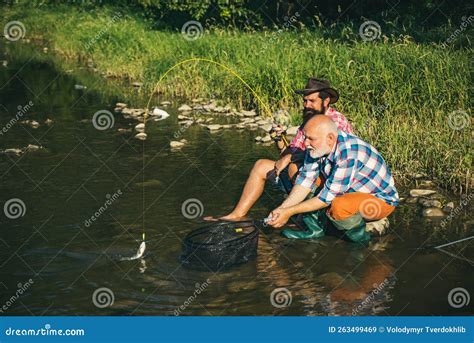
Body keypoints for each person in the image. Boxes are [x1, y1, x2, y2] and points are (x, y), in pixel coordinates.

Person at [204, 78, 353, 222]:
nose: (307, 105)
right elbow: (287, 154)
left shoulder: (334, 120)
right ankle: (236, 215)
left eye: (312, 101)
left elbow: (318, 154)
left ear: (325, 101)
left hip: (327, 178)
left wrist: (288, 159)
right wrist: (279, 139)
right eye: (305, 100)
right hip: (305, 173)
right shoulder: (309, 120)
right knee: (261, 165)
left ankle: (308, 218)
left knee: (293, 167)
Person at [267, 115, 399, 243]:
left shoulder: (347, 153)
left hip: (379, 199)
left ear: (330, 138)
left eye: (310, 139)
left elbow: (325, 199)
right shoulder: (317, 147)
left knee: (339, 206)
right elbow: (305, 182)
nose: (305, 143)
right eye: (305, 138)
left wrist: (289, 212)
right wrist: (282, 208)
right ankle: (316, 229)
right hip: (349, 189)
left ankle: (362, 241)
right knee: (296, 172)